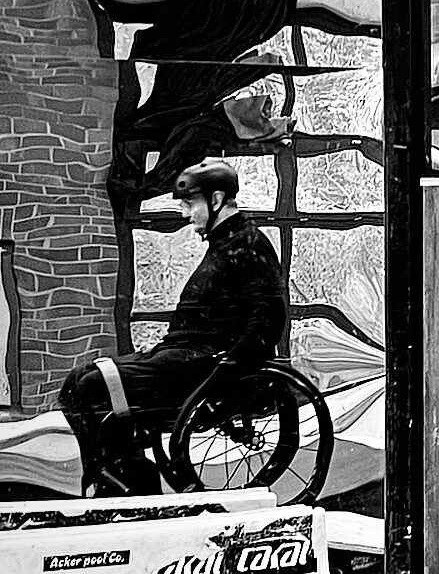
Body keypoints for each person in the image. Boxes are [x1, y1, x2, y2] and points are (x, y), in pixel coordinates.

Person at [59, 158, 287, 496]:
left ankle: (129, 482)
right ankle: (113, 474)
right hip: (183, 355)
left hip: (204, 364)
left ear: (216, 200)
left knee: (93, 385)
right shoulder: (227, 242)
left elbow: (267, 320)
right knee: (76, 382)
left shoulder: (248, 245)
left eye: (190, 203)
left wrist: (228, 367)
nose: (185, 213)